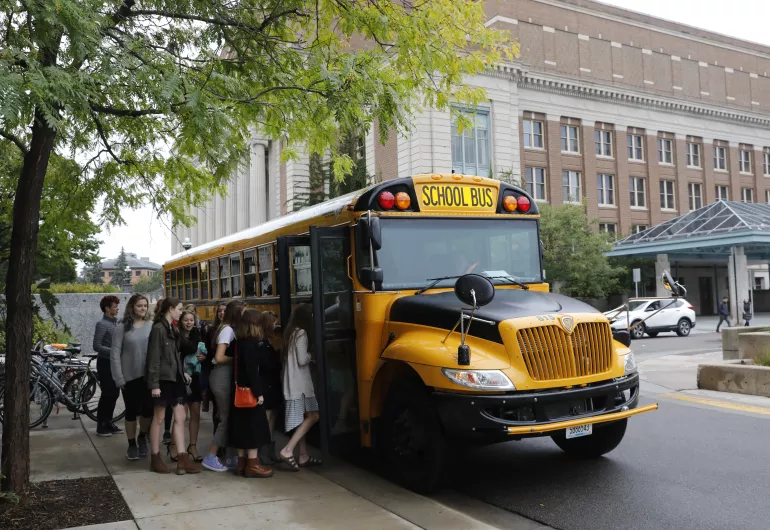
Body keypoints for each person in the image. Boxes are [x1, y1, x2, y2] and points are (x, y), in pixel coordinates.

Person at [146, 297, 201, 475]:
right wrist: (154, 384)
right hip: (162, 379)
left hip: (175, 377)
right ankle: (155, 457)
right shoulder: (158, 329)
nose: (181, 311)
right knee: (159, 418)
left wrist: (182, 371)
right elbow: (153, 359)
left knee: (180, 416)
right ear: (170, 309)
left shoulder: (173, 327)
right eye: (179, 308)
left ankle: (182, 458)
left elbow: (176, 354)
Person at [229, 309, 274, 478]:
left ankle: (241, 463)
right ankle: (253, 465)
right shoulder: (252, 344)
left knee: (240, 428)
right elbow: (252, 371)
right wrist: (259, 393)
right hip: (249, 392)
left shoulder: (238, 342)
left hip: (238, 392)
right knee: (255, 428)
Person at [202, 299, 246, 472]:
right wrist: (238, 359)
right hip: (221, 377)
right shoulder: (227, 330)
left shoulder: (225, 328)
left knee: (227, 417)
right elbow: (220, 357)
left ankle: (229, 456)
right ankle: (211, 456)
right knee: (225, 418)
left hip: (221, 377)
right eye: (242, 312)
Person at [278, 304, 322, 470]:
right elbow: (302, 359)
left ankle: (303, 455)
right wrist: (313, 355)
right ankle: (288, 450)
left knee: (303, 419)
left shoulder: (291, 332)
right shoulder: (302, 333)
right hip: (301, 384)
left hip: (292, 383)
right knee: (313, 416)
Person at [110, 294, 153, 461]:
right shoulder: (123, 327)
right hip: (129, 377)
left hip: (148, 376)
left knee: (148, 411)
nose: (142, 308)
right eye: (139, 306)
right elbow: (114, 353)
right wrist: (118, 377)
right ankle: (131, 443)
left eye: (145, 305)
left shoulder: (151, 325)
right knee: (131, 411)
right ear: (131, 308)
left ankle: (142, 436)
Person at [174, 310, 206, 462]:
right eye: (186, 320)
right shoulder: (176, 335)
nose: (189, 323)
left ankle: (192, 446)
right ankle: (174, 446)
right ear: (181, 322)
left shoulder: (197, 332)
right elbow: (190, 350)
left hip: (195, 377)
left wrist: (204, 356)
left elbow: (201, 350)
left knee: (196, 413)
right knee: (181, 416)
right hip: (180, 377)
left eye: (191, 320)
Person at [93, 295, 123, 437]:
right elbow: (96, 346)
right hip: (105, 363)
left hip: (115, 363)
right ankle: (101, 425)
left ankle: (109, 422)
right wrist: (114, 351)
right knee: (107, 394)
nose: (118, 308)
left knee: (115, 394)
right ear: (107, 308)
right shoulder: (101, 324)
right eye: (115, 306)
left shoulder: (115, 323)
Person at [257, 311, 283, 466]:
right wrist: (278, 357)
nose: (275, 325)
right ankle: (263, 452)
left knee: (272, 416)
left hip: (271, 383)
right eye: (273, 322)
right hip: (266, 383)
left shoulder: (266, 341)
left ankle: (270, 449)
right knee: (267, 418)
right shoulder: (262, 343)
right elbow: (265, 364)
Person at [203, 303, 227, 417]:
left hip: (229, 371)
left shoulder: (234, 328)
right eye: (219, 311)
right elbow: (207, 349)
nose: (222, 313)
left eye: (224, 311)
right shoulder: (212, 330)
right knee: (218, 407)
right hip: (216, 368)